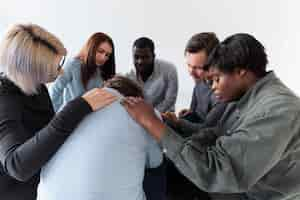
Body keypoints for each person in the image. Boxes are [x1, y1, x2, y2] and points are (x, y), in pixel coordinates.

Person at [122, 33, 300, 200]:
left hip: (256, 195)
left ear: (241, 72)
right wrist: (173, 130)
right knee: (167, 173)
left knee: (167, 182)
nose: (213, 86)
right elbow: (218, 132)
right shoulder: (249, 99)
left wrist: (152, 124)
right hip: (244, 185)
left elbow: (217, 171)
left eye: (217, 79)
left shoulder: (277, 110)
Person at [0, 23, 117, 200]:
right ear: (33, 67)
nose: (61, 71)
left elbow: (49, 136)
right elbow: (17, 166)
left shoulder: (38, 89)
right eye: (55, 66)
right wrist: (77, 108)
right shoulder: (5, 97)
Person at [37, 76, 163, 200]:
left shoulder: (71, 108)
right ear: (138, 98)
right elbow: (155, 161)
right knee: (157, 168)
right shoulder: (147, 114)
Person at [163, 32, 226, 136]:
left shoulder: (223, 92)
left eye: (198, 68)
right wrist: (188, 114)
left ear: (214, 62)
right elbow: (194, 111)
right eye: (189, 65)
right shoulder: (200, 81)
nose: (191, 72)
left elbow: (207, 130)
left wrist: (178, 122)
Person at [49, 32, 116, 111]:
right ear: (91, 48)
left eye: (107, 55)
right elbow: (54, 91)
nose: (103, 58)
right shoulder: (73, 65)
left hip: (92, 118)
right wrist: (55, 118)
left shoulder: (102, 72)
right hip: (70, 117)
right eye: (100, 51)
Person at [128, 37, 178, 113]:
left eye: (145, 57)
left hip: (164, 117)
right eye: (136, 57)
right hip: (139, 118)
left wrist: (151, 115)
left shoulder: (169, 69)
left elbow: (169, 100)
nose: (140, 61)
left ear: (153, 56)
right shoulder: (128, 76)